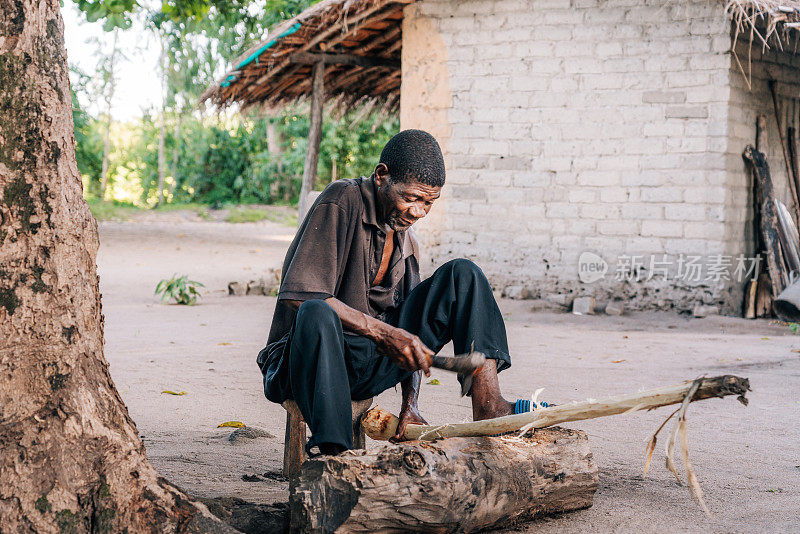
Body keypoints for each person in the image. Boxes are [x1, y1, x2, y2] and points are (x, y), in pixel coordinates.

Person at [257, 129, 519, 456]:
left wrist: (411, 403)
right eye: (410, 198)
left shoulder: (406, 242)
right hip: (304, 363)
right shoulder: (342, 200)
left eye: (428, 202)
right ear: (382, 176)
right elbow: (299, 297)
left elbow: (408, 337)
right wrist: (384, 334)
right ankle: (337, 454)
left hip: (365, 366)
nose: (417, 212)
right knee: (316, 309)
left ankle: (489, 404)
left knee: (463, 275)